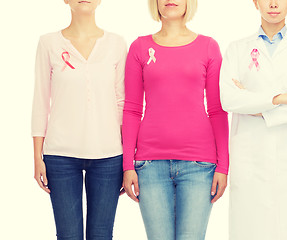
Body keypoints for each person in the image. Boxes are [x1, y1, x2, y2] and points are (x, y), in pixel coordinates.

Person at [121, 0, 229, 239]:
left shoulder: (208, 47)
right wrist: (128, 164)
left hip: (199, 166)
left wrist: (223, 165)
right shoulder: (139, 48)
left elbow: (217, 110)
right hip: (150, 166)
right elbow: (131, 109)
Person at [219, 0, 287, 239]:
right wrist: (283, 98)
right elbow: (229, 100)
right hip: (250, 154)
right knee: (251, 227)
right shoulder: (237, 49)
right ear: (255, 2)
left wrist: (255, 105)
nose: (273, 4)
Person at [31, 0, 126, 239]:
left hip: (109, 156)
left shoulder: (116, 44)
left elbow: (122, 103)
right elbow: (41, 101)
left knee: (101, 234)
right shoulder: (48, 43)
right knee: (68, 235)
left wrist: (128, 161)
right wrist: (37, 157)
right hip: (60, 156)